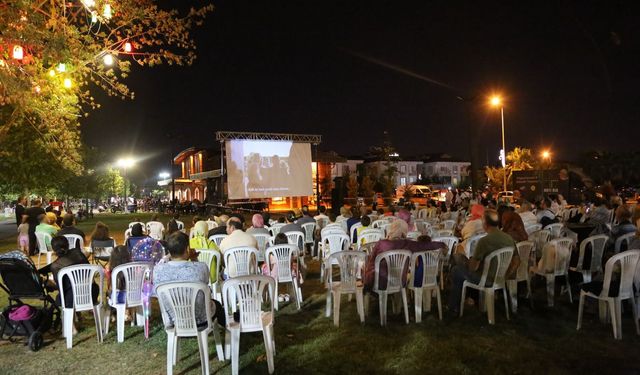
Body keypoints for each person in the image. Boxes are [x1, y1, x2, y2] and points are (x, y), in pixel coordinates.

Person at [448, 209, 517, 315]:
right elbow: (517, 261)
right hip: (499, 278)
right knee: (459, 260)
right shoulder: (509, 239)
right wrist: (505, 276)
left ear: (485, 223)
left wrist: (468, 261)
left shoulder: (485, 241)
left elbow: (473, 268)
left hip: (485, 279)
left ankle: (454, 307)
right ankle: (469, 298)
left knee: (456, 270)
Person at [153, 232, 225, 328]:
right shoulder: (201, 267)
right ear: (187, 249)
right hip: (201, 320)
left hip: (175, 321)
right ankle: (230, 331)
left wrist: (169, 255)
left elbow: (163, 262)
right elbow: (204, 280)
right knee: (217, 305)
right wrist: (194, 258)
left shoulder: (158, 270)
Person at [363, 219, 445, 291]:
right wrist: (442, 244)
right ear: (404, 231)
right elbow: (425, 245)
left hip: (380, 281)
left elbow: (371, 261)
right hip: (400, 282)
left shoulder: (381, 243)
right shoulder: (408, 244)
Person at [39, 236, 97, 308]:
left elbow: (61, 289)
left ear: (53, 249)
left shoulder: (56, 266)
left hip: (73, 300)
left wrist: (51, 284)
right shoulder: (77, 252)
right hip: (93, 293)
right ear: (68, 244)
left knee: (58, 300)